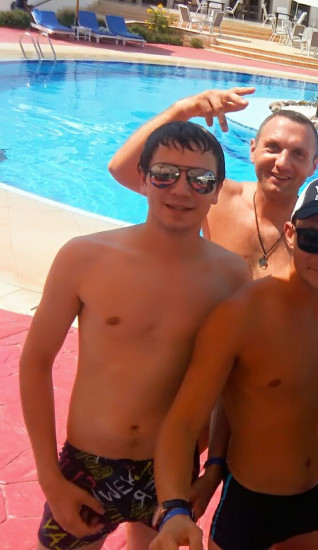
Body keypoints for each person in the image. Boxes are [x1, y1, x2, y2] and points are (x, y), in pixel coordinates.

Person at [19, 121, 250, 550]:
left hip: (171, 472)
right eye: (165, 174)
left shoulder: (231, 276)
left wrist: (213, 469)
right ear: (143, 179)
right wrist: (50, 478)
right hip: (88, 463)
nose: (181, 190)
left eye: (200, 180)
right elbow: (35, 363)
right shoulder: (85, 257)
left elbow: (228, 386)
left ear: (217, 191)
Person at [149, 177, 318, 550]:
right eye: (313, 239)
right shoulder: (240, 315)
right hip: (252, 500)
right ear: (290, 234)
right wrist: (175, 509)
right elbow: (182, 422)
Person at [108, 87, 318, 280]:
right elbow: (122, 169)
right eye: (272, 147)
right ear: (253, 150)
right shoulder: (217, 194)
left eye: (298, 154)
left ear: (314, 165)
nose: (282, 163)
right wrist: (184, 110)